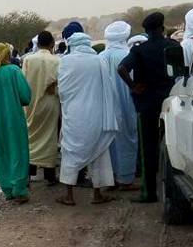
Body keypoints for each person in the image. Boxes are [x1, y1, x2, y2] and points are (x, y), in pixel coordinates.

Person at [118, 12, 182, 203]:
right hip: (170, 101)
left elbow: (122, 68)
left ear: (146, 31)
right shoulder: (173, 46)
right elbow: (180, 72)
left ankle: (149, 192)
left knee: (148, 148)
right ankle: (174, 190)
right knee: (172, 145)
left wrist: (133, 86)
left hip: (146, 103)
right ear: (162, 28)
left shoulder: (139, 50)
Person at [58, 32, 119, 205]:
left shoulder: (65, 61)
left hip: (73, 113)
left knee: (69, 151)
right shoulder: (98, 61)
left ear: (72, 45)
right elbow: (108, 87)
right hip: (96, 112)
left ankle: (69, 195)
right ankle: (97, 194)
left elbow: (62, 91)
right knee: (98, 150)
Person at [0, 43, 32, 203]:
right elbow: (25, 96)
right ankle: (19, 189)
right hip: (15, 119)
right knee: (18, 151)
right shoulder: (13, 71)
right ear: (6, 55)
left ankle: (8, 189)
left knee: (2, 152)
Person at [99, 21, 139, 190]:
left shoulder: (100, 57)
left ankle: (111, 178)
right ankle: (126, 179)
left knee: (110, 142)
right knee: (128, 138)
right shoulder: (128, 54)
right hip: (127, 103)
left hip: (106, 106)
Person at [22, 30, 61, 185]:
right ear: (52, 43)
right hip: (50, 101)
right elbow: (59, 82)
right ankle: (49, 175)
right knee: (50, 135)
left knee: (31, 134)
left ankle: (29, 172)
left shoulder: (28, 60)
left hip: (31, 102)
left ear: (37, 44)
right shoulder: (57, 60)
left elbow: (23, 82)